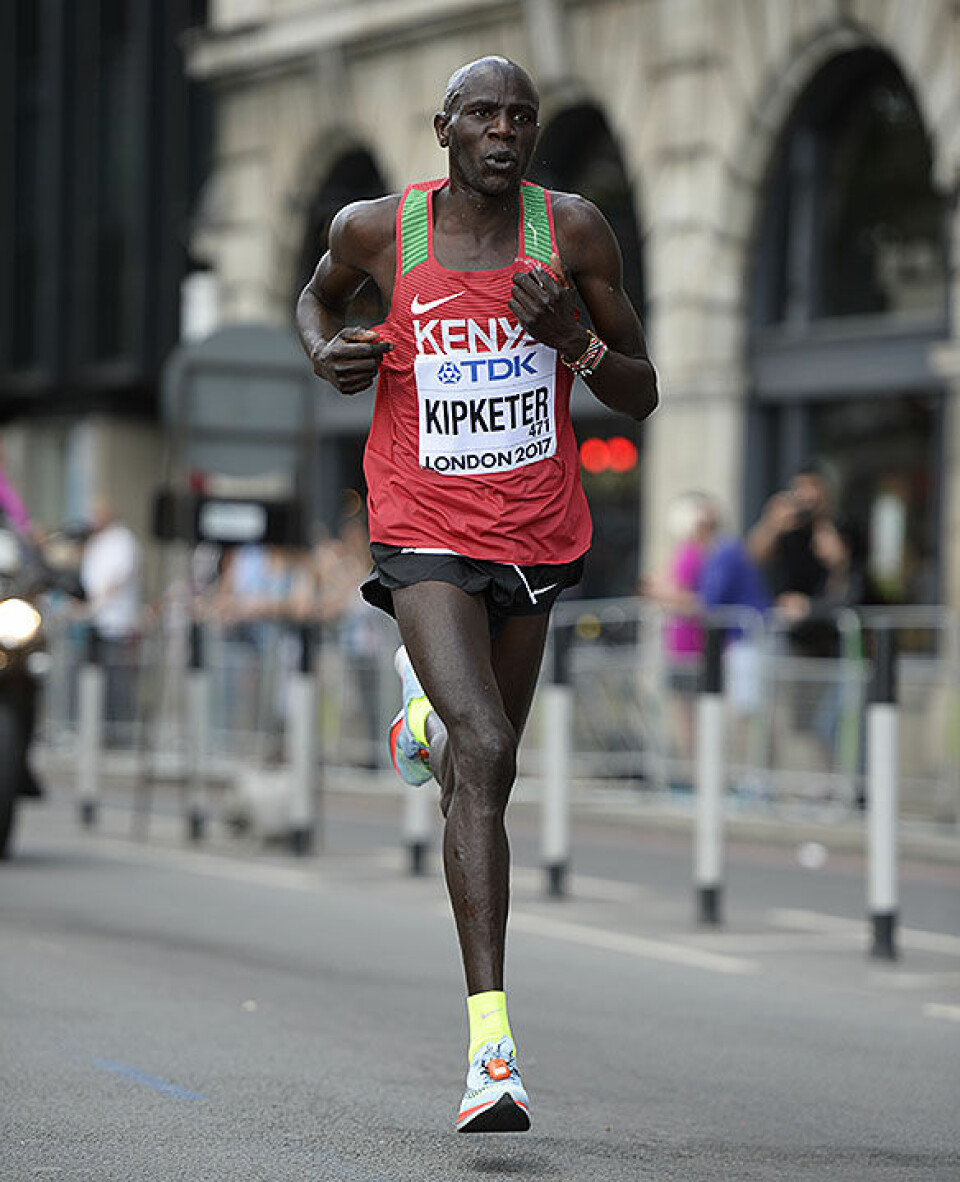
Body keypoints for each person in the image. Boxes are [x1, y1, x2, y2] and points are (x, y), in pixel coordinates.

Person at [296, 55, 657, 1133]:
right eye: (484, 115)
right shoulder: (380, 231)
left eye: (522, 117)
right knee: (491, 746)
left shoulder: (576, 233)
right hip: (421, 525)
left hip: (536, 535)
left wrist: (576, 343)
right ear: (445, 128)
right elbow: (314, 302)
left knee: (479, 776)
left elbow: (641, 390)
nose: (505, 131)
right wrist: (327, 354)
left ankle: (422, 720)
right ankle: (489, 1051)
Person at [79, 499, 143, 737]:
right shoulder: (98, 542)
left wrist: (97, 603)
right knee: (95, 680)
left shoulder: (123, 541)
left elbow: (119, 577)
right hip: (95, 622)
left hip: (116, 622)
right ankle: (98, 730)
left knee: (117, 680)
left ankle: (120, 731)